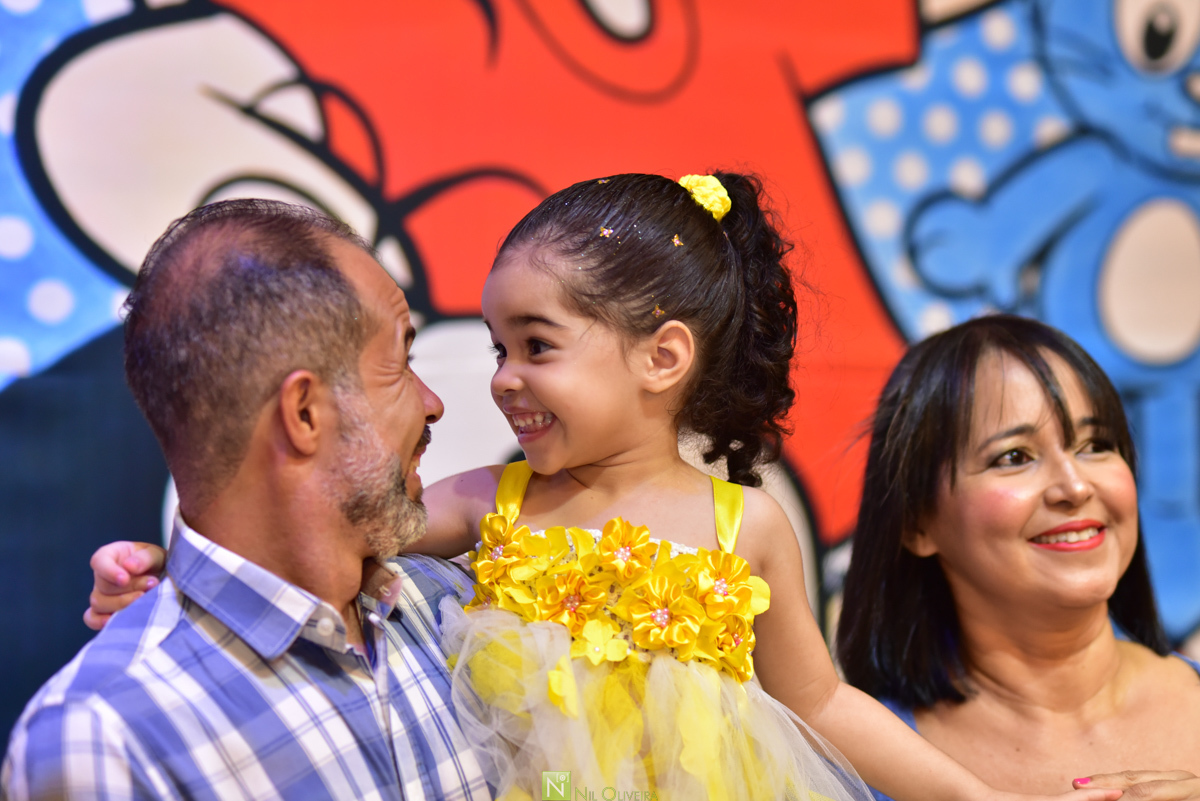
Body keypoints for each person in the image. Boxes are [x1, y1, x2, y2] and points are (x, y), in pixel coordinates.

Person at [80, 176, 1127, 801]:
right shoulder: (488, 503)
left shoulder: (744, 527)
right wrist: (167, 580)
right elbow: (321, 533)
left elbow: (822, 702)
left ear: (661, 360)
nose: (499, 380)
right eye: (494, 346)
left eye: (536, 346)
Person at [3, 199, 491, 800]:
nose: (432, 401)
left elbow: (565, 783)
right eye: (400, 362)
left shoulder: (457, 609)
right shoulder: (108, 742)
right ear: (304, 413)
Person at [837, 315, 1200, 801]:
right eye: (1014, 456)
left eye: (1095, 445)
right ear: (917, 524)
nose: (1074, 486)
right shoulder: (851, 770)